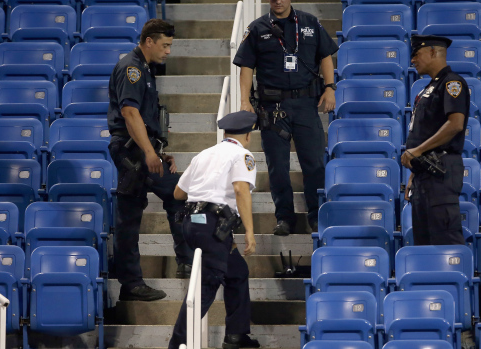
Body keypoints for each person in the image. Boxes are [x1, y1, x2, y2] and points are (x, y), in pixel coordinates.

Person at [232, 0, 338, 236]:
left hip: (306, 105)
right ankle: (284, 218)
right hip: (272, 108)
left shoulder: (310, 23)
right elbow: (246, 67)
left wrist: (330, 87)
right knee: (277, 168)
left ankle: (316, 217)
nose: (278, 1)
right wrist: (244, 100)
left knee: (314, 164)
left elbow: (325, 56)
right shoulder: (257, 28)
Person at [107, 19, 194, 302]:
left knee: (177, 194)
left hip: (143, 150)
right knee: (130, 217)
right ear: (149, 42)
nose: (168, 51)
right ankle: (132, 283)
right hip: (133, 153)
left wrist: (159, 151)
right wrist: (148, 152)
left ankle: (185, 261)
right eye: (165, 45)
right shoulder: (131, 69)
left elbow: (145, 118)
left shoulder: (144, 69)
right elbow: (130, 114)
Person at [168, 111, 260, 349]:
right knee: (206, 286)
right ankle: (177, 345)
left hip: (193, 223)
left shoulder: (203, 155)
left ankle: (236, 335)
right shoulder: (242, 154)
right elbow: (241, 190)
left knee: (237, 272)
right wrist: (249, 232)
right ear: (248, 136)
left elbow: (178, 193)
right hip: (212, 226)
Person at [401, 35, 470, 246]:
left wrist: (417, 151)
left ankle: (454, 279)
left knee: (445, 239)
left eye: (416, 53)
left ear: (433, 52)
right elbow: (425, 131)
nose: (413, 59)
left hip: (441, 170)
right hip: (425, 171)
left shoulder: (452, 83)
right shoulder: (427, 89)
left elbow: (456, 124)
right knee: (424, 241)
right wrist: (414, 172)